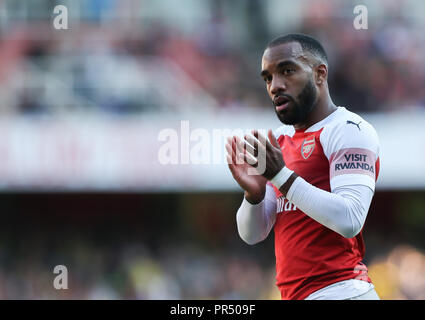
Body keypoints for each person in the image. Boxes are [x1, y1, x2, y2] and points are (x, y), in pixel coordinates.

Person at [225, 34, 381, 300]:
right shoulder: (281, 140)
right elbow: (252, 235)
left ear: (320, 74)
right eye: (268, 78)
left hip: (340, 291)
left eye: (287, 71)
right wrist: (254, 196)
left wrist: (281, 176)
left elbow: (350, 219)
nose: (275, 86)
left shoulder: (349, 130)